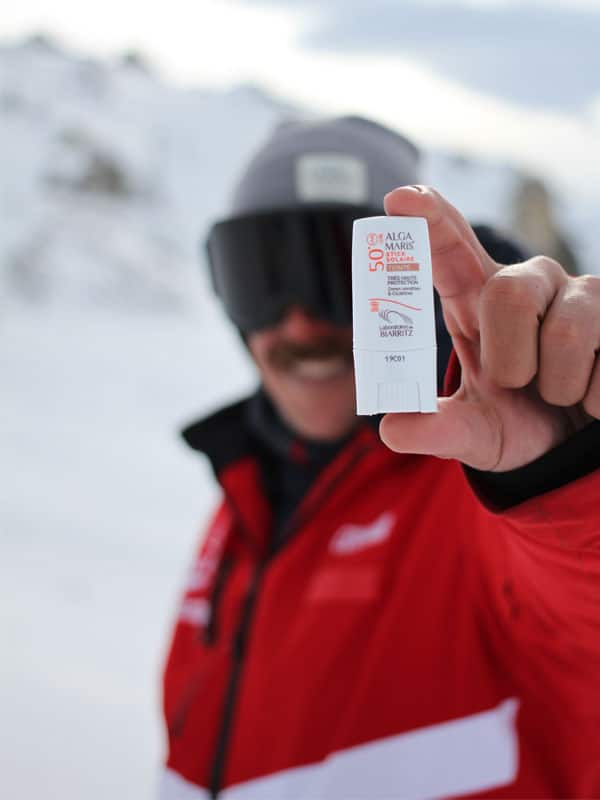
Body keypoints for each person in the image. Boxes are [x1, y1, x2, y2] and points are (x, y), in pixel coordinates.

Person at [160, 116, 600, 799]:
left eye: (340, 274)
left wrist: (568, 471)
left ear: (410, 286)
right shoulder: (246, 491)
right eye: (264, 276)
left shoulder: (491, 497)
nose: (300, 324)